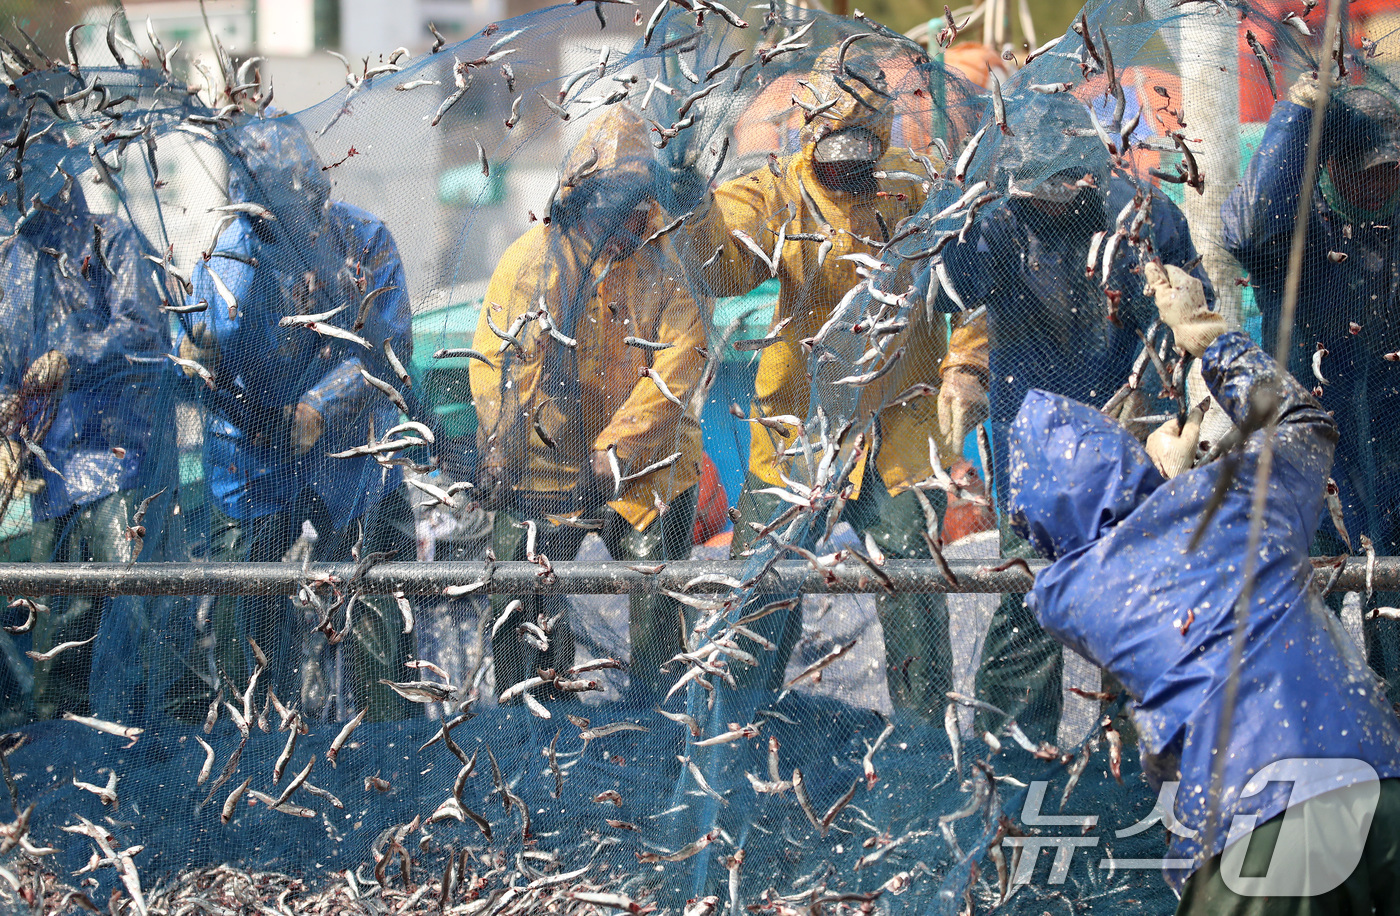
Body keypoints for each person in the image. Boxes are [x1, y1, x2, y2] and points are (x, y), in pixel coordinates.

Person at [1007, 260, 1400, 913]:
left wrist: (1175, 488)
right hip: (1378, 783)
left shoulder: (1067, 598)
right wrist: (1206, 335)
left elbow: (1131, 557)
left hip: (1256, 836)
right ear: (1126, 461)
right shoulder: (1226, 505)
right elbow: (1301, 424)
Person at [692, 41, 988, 721]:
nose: (844, 167)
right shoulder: (774, 193)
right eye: (832, 150)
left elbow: (975, 284)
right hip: (799, 431)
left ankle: (921, 754)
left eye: (858, 149)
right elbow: (721, 264)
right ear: (808, 132)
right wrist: (694, 213)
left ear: (880, 134)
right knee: (760, 596)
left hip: (901, 427)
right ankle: (735, 743)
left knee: (911, 582)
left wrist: (968, 364)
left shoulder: (918, 192)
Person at [931, 94, 1214, 739]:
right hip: (1028, 427)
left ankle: (1142, 746)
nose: (1053, 197)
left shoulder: (1142, 213)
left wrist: (1165, 392)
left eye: (1066, 182)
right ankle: (1010, 756)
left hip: (1129, 424)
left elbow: (1188, 314)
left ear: (1090, 168)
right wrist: (966, 368)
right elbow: (953, 285)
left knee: (1138, 589)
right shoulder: (996, 222)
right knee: (1030, 591)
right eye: (1036, 186)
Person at [171, 114, 416, 722]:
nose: (293, 221)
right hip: (250, 456)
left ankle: (391, 753)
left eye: (303, 201)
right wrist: (193, 346)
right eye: (271, 214)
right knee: (245, 627)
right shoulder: (229, 252)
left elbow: (387, 348)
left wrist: (316, 408)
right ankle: (249, 754)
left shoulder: (365, 239)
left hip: (354, 453)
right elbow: (194, 352)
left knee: (379, 619)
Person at [468, 106, 707, 701]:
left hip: (648, 466)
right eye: (616, 199)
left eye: (639, 198)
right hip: (547, 462)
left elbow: (680, 359)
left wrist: (614, 452)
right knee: (523, 598)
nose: (631, 215)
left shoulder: (665, 261)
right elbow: (506, 364)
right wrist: (501, 450)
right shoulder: (534, 261)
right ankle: (536, 726)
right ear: (585, 196)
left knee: (659, 600)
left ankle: (662, 732)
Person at [1223, 78, 1400, 704]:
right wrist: (1296, 118)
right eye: (1362, 174)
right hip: (1302, 446)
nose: (1376, 189)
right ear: (1328, 168)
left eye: (1390, 173)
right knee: (1298, 606)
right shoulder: (1290, 236)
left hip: (1389, 450)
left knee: (1395, 605)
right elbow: (1242, 232)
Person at [0, 124, 178, 724]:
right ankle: (70, 786)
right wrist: (4, 438)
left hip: (124, 469)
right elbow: (4, 371)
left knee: (136, 638)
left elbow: (145, 333)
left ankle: (146, 767)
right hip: (52, 485)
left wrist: (71, 359)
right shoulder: (11, 266)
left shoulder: (115, 240)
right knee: (59, 654)